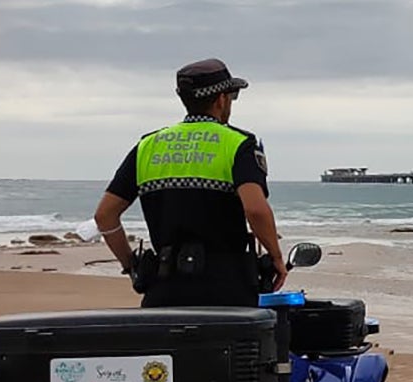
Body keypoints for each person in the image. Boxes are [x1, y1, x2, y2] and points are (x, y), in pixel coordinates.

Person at [92, 59, 286, 307]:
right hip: (228, 288)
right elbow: (255, 209)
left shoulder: (147, 146)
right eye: (233, 96)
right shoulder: (239, 144)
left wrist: (132, 266)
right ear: (221, 100)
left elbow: (105, 216)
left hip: (164, 288)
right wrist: (276, 258)